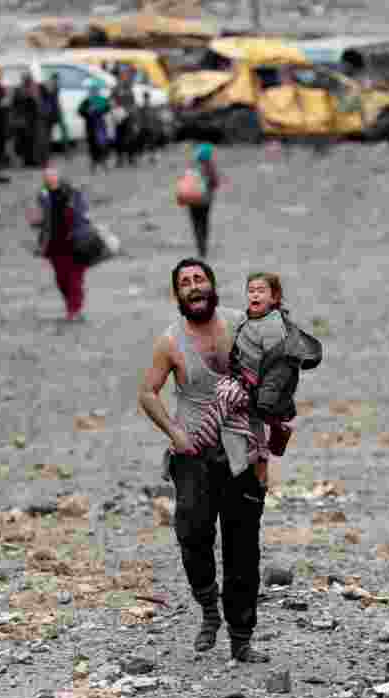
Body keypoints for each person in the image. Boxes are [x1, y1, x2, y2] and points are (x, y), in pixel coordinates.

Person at [138, 258, 270, 664]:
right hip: (194, 452)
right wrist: (175, 434)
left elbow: (270, 387)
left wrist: (263, 453)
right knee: (193, 534)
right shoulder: (170, 342)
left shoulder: (243, 327)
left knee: (243, 549)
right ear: (178, 295)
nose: (193, 287)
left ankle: (241, 638)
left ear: (213, 286)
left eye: (199, 279)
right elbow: (148, 392)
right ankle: (208, 607)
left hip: (241, 453)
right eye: (185, 283)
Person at [187, 272, 295, 488]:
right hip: (241, 379)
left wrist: (259, 387)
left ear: (274, 298)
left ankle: (200, 441)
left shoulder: (273, 326)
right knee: (242, 419)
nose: (254, 295)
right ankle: (258, 456)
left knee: (224, 397)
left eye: (261, 291)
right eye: (251, 290)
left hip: (256, 386)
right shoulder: (249, 320)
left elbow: (276, 365)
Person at [31, 166, 91, 322]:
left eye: (51, 176)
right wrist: (36, 222)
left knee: (75, 278)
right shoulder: (42, 196)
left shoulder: (73, 193)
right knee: (61, 279)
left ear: (58, 177)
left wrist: (80, 228)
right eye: (46, 177)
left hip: (75, 243)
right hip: (53, 244)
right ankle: (71, 306)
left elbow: (84, 213)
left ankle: (74, 310)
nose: (49, 179)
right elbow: (40, 219)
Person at [188, 143, 220, 259]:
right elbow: (216, 183)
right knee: (204, 223)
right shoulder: (210, 167)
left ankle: (200, 246)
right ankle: (203, 247)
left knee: (196, 224)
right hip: (205, 200)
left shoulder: (193, 166)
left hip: (192, 199)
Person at [78, 80, 111, 174]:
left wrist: (100, 110)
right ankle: (94, 163)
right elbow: (80, 111)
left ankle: (103, 163)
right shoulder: (86, 101)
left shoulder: (102, 100)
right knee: (92, 146)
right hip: (90, 126)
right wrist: (87, 111)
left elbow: (107, 108)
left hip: (100, 126)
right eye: (92, 90)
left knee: (102, 145)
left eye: (96, 90)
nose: (94, 92)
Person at [45, 73, 71, 154]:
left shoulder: (52, 85)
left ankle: (64, 149)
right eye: (56, 79)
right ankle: (64, 150)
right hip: (53, 111)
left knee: (54, 131)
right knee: (54, 131)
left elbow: (55, 99)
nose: (57, 81)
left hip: (53, 111)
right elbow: (52, 98)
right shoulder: (51, 85)